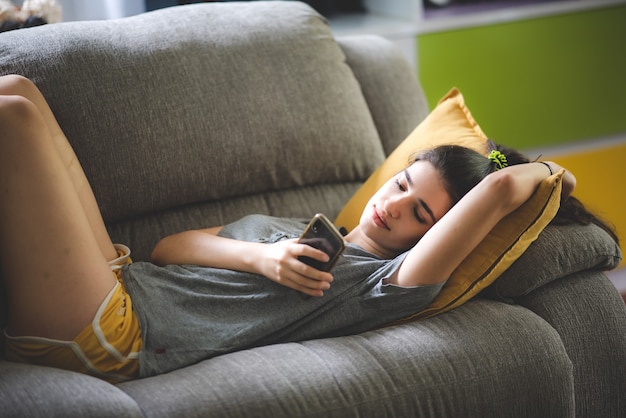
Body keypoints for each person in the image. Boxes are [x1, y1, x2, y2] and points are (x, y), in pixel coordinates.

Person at [0, 74, 611, 383]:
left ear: (431, 237)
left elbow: (505, 189)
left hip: (115, 332)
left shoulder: (379, 283)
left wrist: (549, 172)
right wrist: (261, 258)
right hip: (120, 270)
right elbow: (168, 248)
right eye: (402, 186)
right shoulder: (303, 232)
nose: (395, 207)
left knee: (10, 119)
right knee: (20, 92)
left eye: (420, 215)